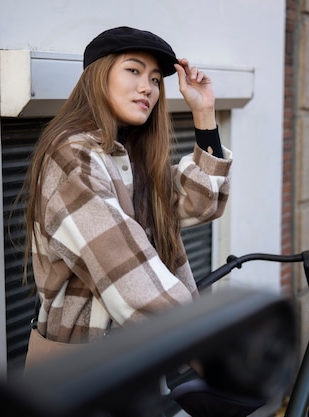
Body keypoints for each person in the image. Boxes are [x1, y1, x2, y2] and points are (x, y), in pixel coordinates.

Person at [20, 26, 232, 347]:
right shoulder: (73, 156)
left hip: (133, 356)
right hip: (89, 366)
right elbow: (133, 281)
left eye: (156, 80)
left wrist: (204, 112)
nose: (146, 87)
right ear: (98, 76)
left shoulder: (129, 158)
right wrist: (209, 348)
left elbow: (202, 201)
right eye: (133, 70)